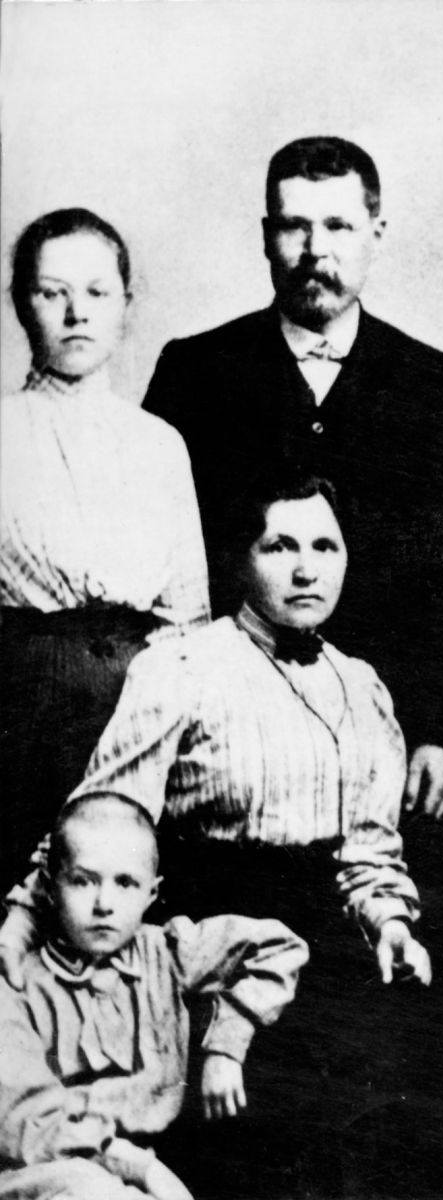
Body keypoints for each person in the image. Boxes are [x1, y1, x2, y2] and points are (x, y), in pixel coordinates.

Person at [1, 472, 430, 1198]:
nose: (305, 569)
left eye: (324, 546)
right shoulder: (184, 667)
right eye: (280, 546)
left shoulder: (361, 685)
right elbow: (103, 816)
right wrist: (21, 918)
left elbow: (368, 847)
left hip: (324, 939)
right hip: (210, 940)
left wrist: (390, 923)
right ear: (240, 559)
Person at [141, 135, 443, 819]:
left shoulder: (426, 380)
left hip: (382, 724)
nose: (316, 250)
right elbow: (155, 565)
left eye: (338, 226)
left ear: (376, 233)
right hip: (226, 728)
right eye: (294, 226)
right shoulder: (195, 371)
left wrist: (439, 730)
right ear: (267, 236)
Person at [0, 209, 209, 889]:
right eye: (51, 292)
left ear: (126, 305)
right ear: (20, 304)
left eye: (96, 292)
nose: (76, 313)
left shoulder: (160, 444)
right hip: (22, 707)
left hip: (140, 709)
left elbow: (188, 619)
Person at [0, 793, 306, 1200]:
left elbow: (279, 946)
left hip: (147, 1163)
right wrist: (142, 1169)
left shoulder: (166, 953)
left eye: (125, 883)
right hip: (44, 1168)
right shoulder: (17, 986)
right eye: (83, 880)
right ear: (51, 887)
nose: (104, 904)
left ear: (151, 892)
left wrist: (227, 1046)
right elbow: (27, 1125)